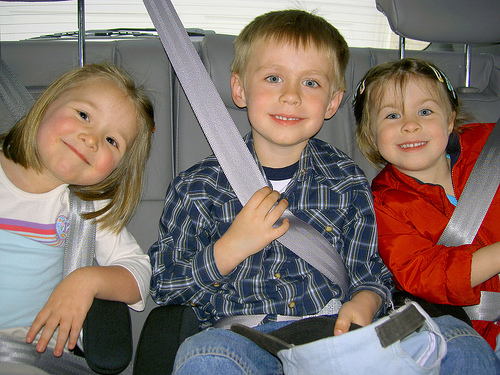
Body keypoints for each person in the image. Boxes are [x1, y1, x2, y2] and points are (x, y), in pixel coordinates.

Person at [149, 9, 396, 374]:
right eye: (274, 77)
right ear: (239, 89)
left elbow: (370, 270)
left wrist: (366, 300)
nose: (291, 96)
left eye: (310, 83)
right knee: (204, 359)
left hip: (329, 332)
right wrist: (229, 249)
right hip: (238, 337)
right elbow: (166, 283)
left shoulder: (347, 182)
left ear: (332, 102)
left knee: (453, 339)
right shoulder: (198, 188)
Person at [0, 63, 155, 359]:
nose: (91, 139)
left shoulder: (86, 208)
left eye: (112, 141)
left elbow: (139, 276)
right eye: (83, 115)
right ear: (48, 103)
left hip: (25, 353)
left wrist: (87, 280)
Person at [354, 58, 500, 355]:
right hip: (472, 331)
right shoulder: (384, 203)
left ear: (450, 120)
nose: (410, 125)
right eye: (392, 115)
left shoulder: (491, 147)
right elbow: (424, 273)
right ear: (371, 135)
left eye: (425, 111)